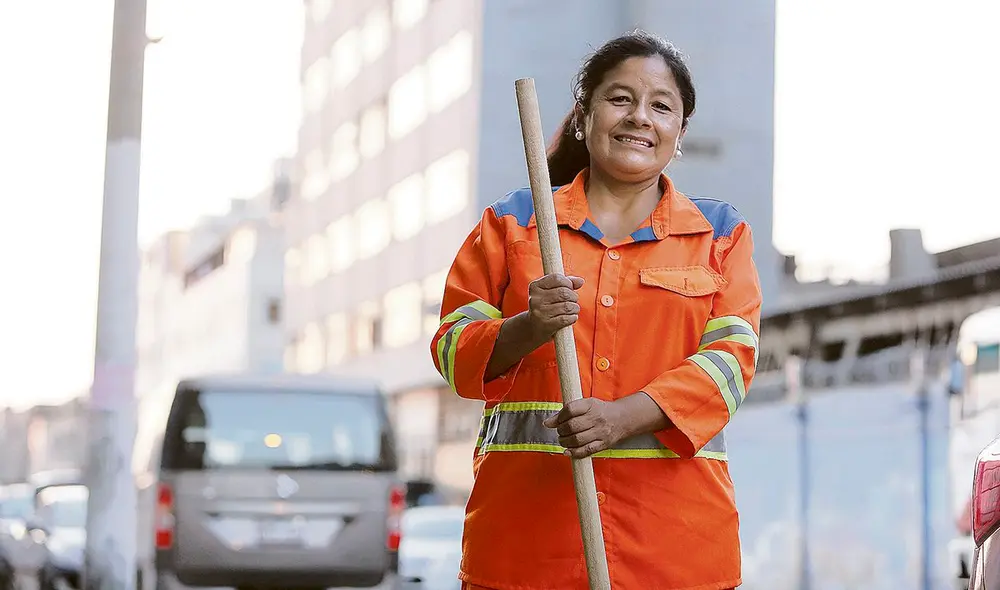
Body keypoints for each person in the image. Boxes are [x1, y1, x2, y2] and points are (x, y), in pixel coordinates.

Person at [430, 29, 762, 590]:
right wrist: (529, 326)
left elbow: (732, 363)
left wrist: (624, 417)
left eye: (661, 106)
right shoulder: (513, 225)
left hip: (675, 555)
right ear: (584, 117)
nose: (640, 117)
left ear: (679, 132)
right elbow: (451, 351)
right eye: (620, 98)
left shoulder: (720, 236)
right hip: (524, 553)